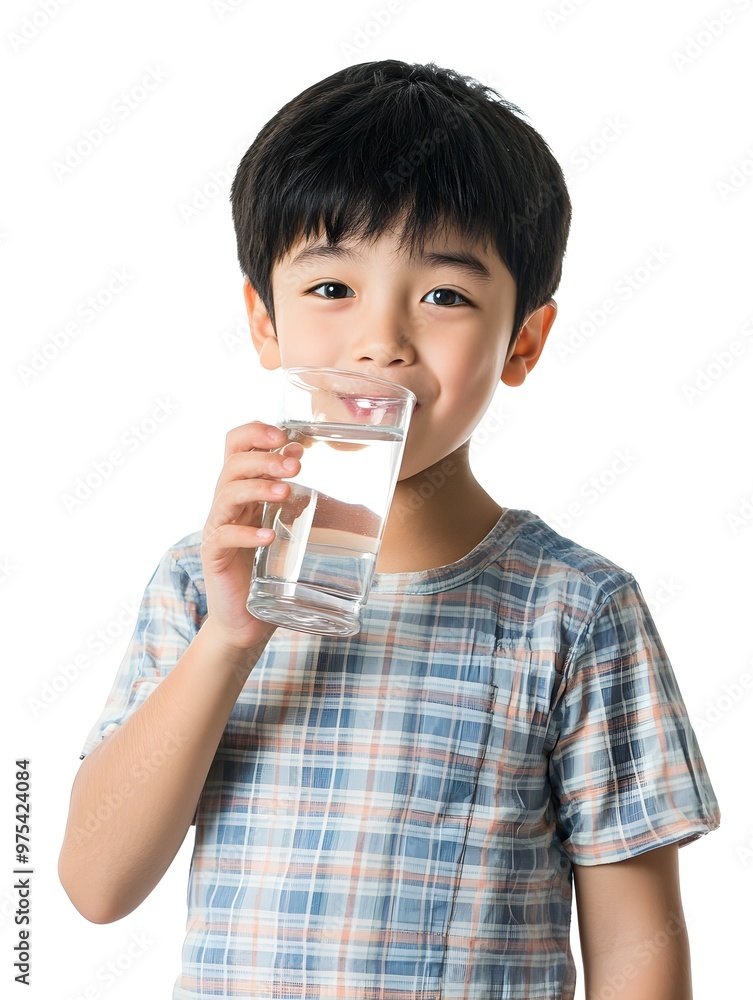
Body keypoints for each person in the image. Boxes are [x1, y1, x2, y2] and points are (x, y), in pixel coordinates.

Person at [58, 59, 721, 1000]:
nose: (381, 341)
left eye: (444, 296)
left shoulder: (575, 610)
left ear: (522, 341)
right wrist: (229, 637)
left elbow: (635, 946)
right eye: (331, 288)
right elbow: (94, 884)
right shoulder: (202, 580)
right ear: (264, 322)